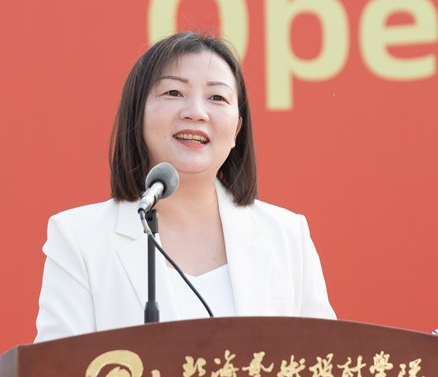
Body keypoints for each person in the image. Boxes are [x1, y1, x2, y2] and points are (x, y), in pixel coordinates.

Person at [34, 31, 335, 341]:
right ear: (138, 114)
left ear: (237, 130)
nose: (196, 112)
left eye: (217, 97)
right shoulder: (79, 238)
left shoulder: (287, 236)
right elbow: (58, 368)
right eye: (174, 92)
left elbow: (325, 362)